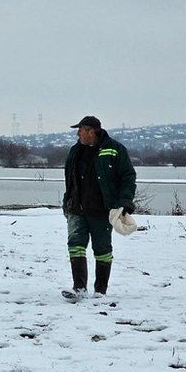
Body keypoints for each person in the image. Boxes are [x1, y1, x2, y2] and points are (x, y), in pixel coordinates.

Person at [61, 115, 136, 300]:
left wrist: (125, 202)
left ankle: (100, 291)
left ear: (91, 131)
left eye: (80, 130)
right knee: (75, 245)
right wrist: (66, 203)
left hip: (102, 210)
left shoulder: (115, 150)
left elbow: (128, 177)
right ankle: (79, 288)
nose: (78, 134)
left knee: (102, 249)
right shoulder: (75, 151)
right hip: (76, 209)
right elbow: (70, 180)